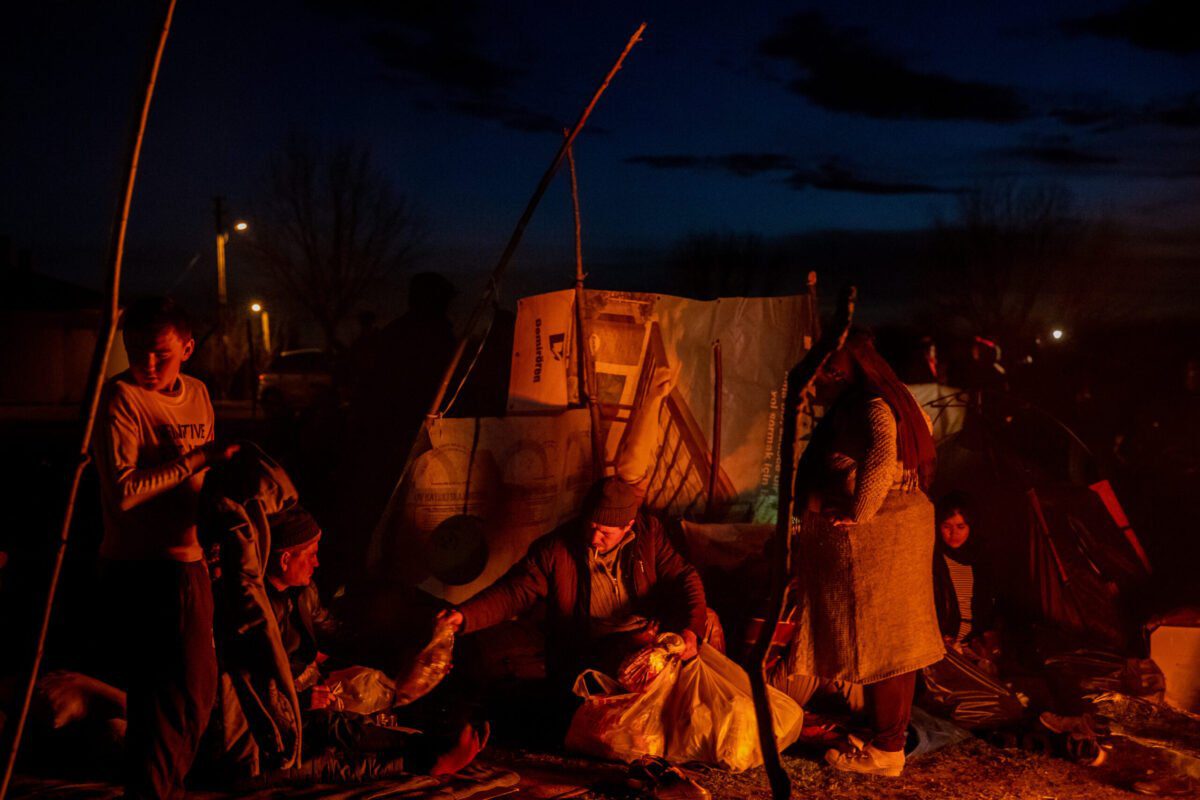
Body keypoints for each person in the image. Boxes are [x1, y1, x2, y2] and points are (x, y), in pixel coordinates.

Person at [436, 367, 708, 695]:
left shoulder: (649, 534)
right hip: (595, 648)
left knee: (709, 629)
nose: (595, 538)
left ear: (628, 527)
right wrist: (462, 617)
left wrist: (691, 630)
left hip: (649, 633)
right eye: (591, 527)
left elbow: (685, 576)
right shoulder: (556, 550)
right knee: (638, 663)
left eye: (606, 532)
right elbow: (513, 592)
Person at [92, 296, 238, 799]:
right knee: (171, 698)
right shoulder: (121, 400)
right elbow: (125, 491)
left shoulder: (197, 392)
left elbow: (204, 476)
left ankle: (159, 789)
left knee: (192, 695)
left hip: (189, 560)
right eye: (136, 351)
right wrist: (198, 457)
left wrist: (214, 531)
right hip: (143, 568)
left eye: (160, 353)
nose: (147, 364)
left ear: (188, 348)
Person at [789, 330, 942, 777]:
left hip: (883, 535)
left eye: (834, 363)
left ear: (857, 362)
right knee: (889, 642)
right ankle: (884, 738)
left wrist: (861, 510)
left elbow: (882, 455)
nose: (828, 372)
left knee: (890, 644)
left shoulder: (874, 403)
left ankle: (888, 751)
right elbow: (918, 443)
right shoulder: (897, 398)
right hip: (898, 529)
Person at [262, 506, 487, 779]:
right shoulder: (254, 609)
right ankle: (422, 760)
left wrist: (410, 659)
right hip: (272, 709)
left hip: (304, 693)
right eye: (310, 555)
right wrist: (298, 700)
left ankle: (431, 747)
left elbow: (338, 635)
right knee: (327, 737)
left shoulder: (303, 592)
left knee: (356, 709)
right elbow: (247, 685)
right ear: (285, 559)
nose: (317, 563)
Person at [933, 493, 998, 651]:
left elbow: (989, 604)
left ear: (971, 526)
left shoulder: (981, 557)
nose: (954, 534)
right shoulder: (934, 559)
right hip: (944, 646)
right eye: (947, 527)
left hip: (975, 646)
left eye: (961, 527)